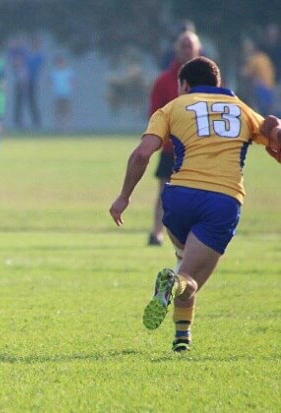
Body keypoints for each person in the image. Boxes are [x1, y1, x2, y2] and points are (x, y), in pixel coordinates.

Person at [109, 56, 281, 353]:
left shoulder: (173, 107)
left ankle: (181, 337)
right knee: (188, 277)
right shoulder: (240, 109)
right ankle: (174, 285)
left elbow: (142, 154)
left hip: (179, 198)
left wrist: (124, 196)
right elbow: (273, 136)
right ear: (218, 84)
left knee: (185, 260)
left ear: (185, 85)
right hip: (222, 201)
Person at [147, 31, 202, 246]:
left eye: (190, 46)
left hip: (199, 149)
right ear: (176, 49)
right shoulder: (164, 81)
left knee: (198, 193)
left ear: (198, 50)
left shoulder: (208, 79)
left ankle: (194, 235)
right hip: (171, 148)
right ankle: (156, 232)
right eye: (183, 46)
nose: (187, 50)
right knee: (164, 192)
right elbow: (154, 112)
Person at [242, 38, 277, 117]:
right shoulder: (264, 57)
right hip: (270, 88)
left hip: (261, 88)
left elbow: (245, 73)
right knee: (270, 111)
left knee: (262, 112)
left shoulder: (254, 59)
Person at [49, 55, 75, 133]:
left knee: (67, 112)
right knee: (57, 112)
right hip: (57, 95)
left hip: (66, 95)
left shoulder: (69, 72)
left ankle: (67, 128)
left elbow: (72, 82)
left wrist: (69, 88)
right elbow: (50, 82)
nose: (60, 64)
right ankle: (58, 128)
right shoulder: (54, 72)